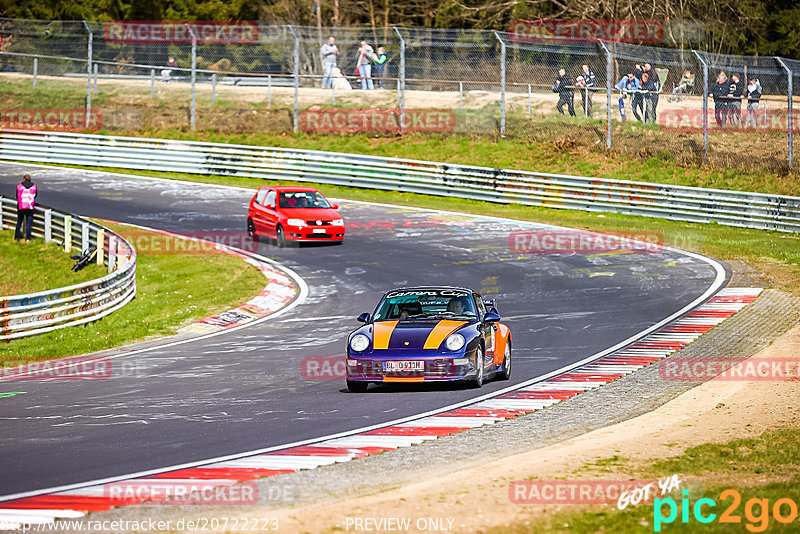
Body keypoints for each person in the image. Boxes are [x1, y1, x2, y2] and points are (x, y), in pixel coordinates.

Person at [15, 174, 37, 242]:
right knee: (28, 223)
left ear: (24, 179)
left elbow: (17, 195)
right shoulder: (34, 187)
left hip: (21, 206)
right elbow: (35, 195)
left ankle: (16, 237)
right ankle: (28, 238)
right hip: (30, 206)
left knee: (19, 222)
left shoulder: (19, 186)